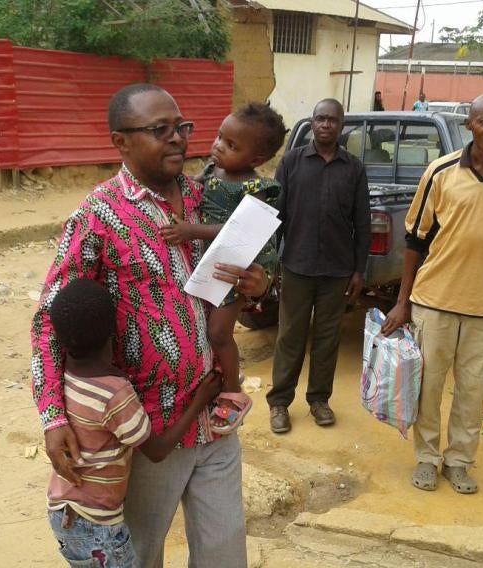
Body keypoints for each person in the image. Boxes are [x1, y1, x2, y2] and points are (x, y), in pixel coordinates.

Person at [31, 83, 269, 567]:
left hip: (216, 417)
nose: (178, 139)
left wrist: (261, 288)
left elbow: (246, 286)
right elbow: (49, 320)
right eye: (160, 130)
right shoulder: (98, 216)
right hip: (150, 431)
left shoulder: (211, 201)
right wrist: (54, 417)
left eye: (181, 128)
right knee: (142, 555)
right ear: (121, 142)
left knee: (225, 555)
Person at [381, 93, 483, 495]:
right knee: (429, 388)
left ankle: (458, 461)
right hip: (433, 301)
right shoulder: (440, 172)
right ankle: (426, 457)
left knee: (472, 391)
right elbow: (414, 239)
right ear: (470, 125)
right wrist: (403, 302)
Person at [45, 278, 222, 567]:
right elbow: (157, 450)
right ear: (115, 331)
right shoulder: (115, 394)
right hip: (98, 525)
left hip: (64, 513)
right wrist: (199, 401)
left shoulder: (65, 377)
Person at [160, 102, 287, 434]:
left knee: (219, 332)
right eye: (219, 137)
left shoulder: (259, 189)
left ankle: (233, 392)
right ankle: (217, 381)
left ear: (256, 160)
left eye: (231, 145)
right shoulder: (211, 172)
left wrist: (191, 231)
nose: (218, 146)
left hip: (235, 269)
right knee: (204, 329)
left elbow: (240, 231)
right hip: (211, 265)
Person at [266, 98, 370, 434]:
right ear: (312, 122)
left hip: (337, 269)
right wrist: (271, 264)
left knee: (328, 338)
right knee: (290, 337)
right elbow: (276, 216)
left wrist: (358, 269)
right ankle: (280, 402)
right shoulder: (292, 162)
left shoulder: (353, 168)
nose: (326, 125)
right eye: (320, 119)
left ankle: (319, 400)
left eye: (332, 120)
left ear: (342, 126)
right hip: (296, 265)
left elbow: (363, 223)